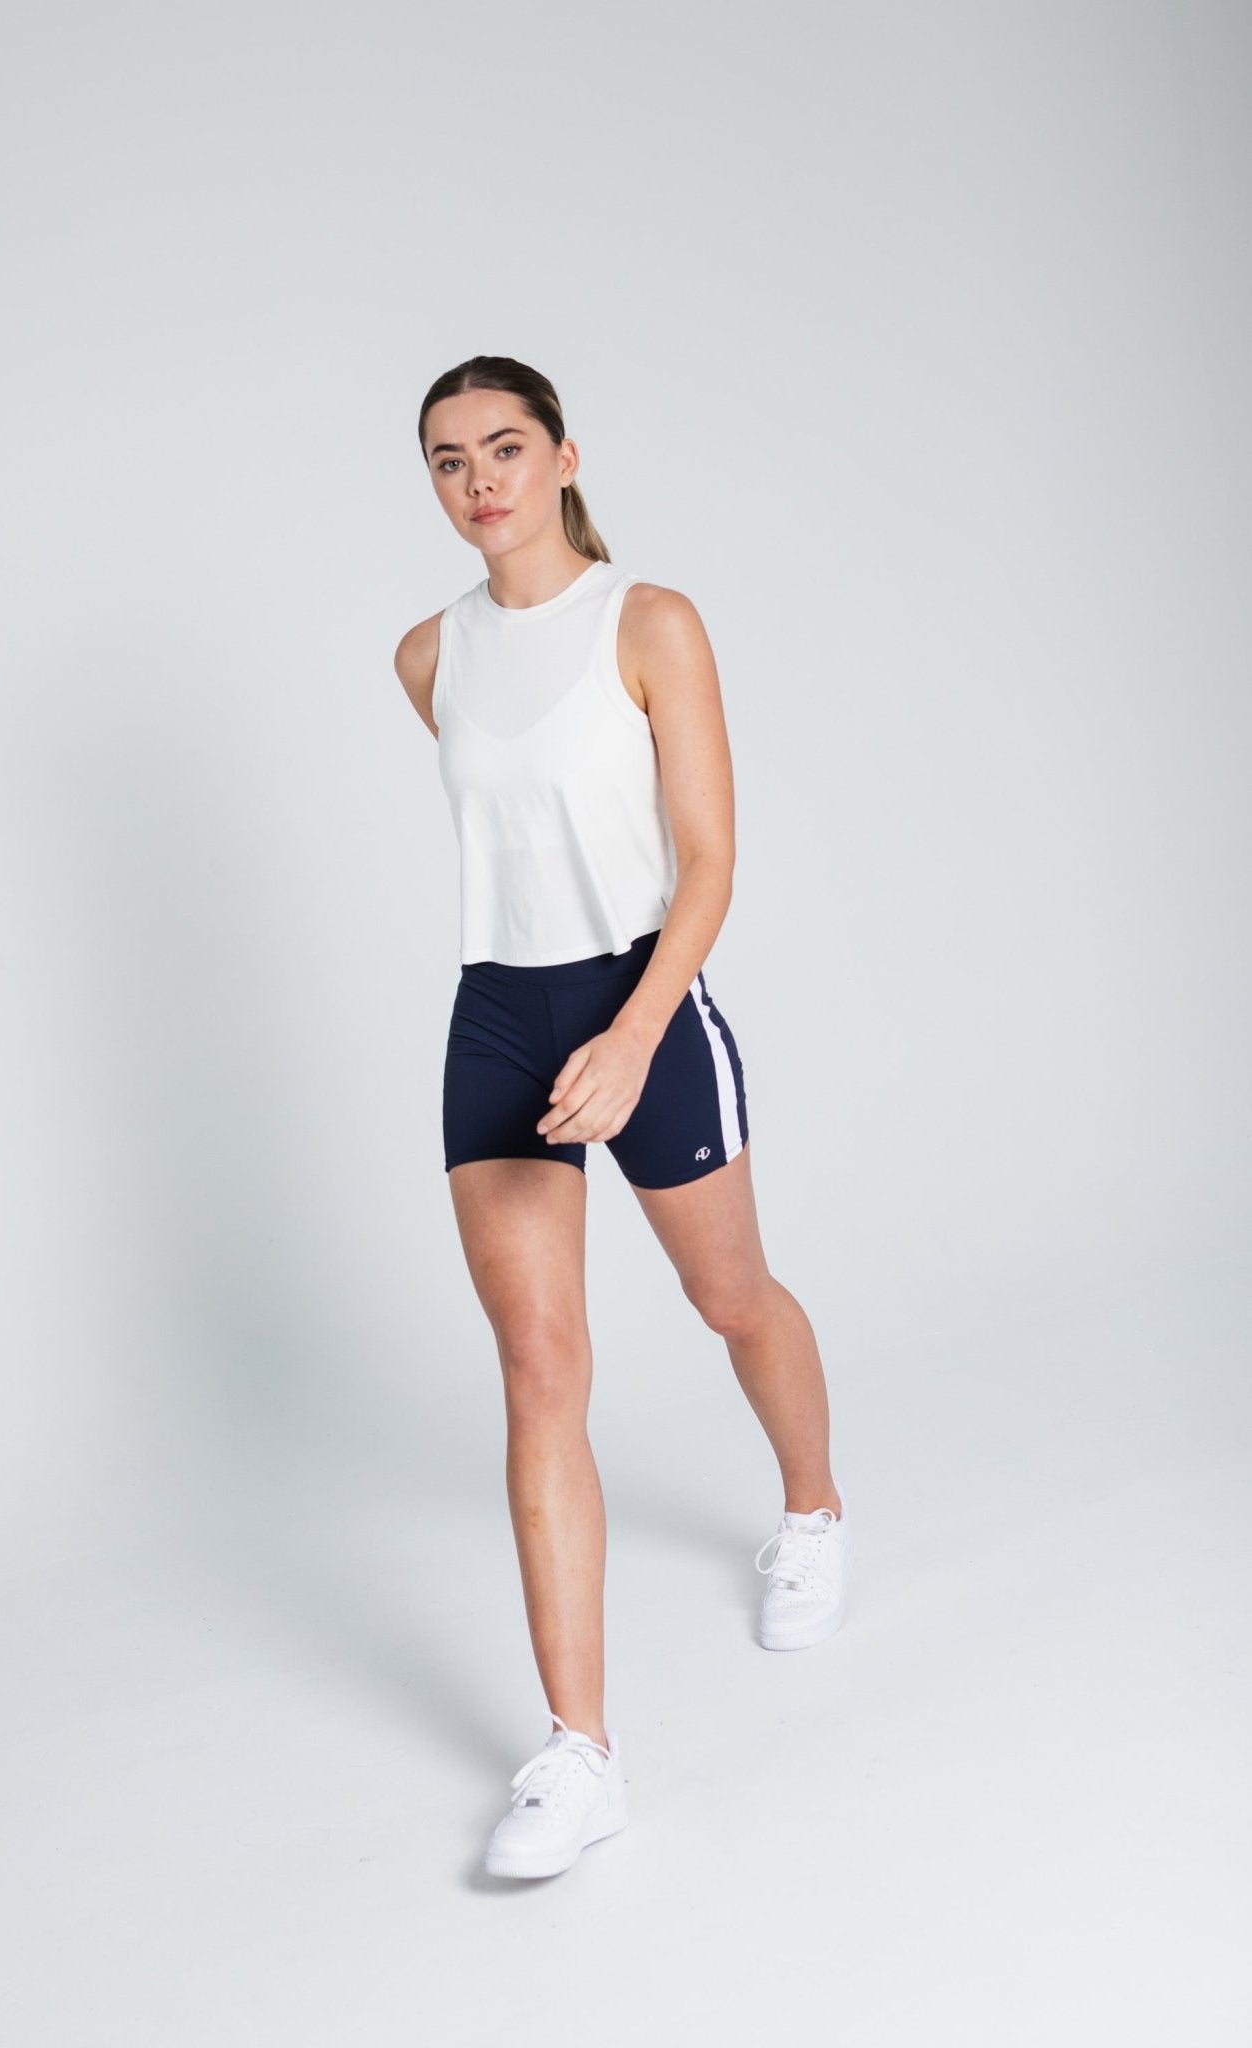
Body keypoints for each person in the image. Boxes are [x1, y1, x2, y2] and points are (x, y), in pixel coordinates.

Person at [393, 355, 852, 1881]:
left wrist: (634, 1031)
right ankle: (579, 1753)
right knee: (539, 1369)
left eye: (504, 447)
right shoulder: (424, 656)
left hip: (638, 999)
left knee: (730, 1297)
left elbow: (705, 862)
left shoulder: (649, 622)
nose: (481, 482)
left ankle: (812, 1508)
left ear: (563, 453)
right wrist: (553, 1033)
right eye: (450, 461)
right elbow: (515, 843)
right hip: (496, 1014)